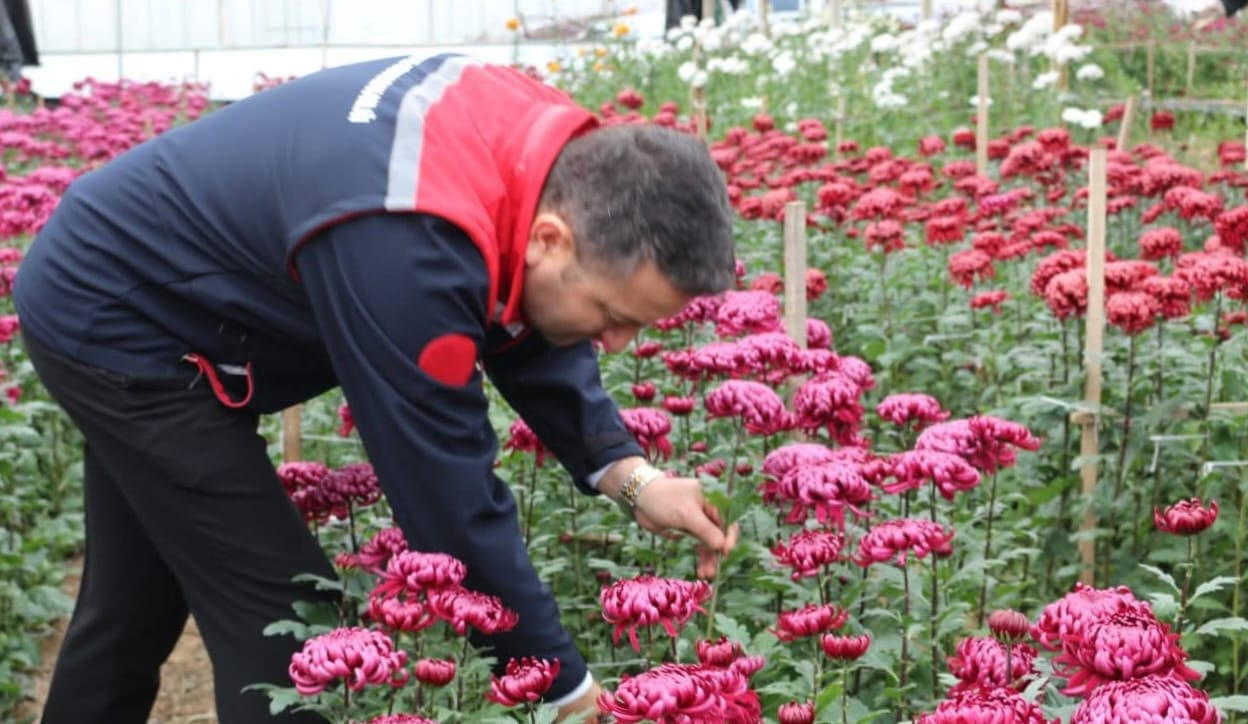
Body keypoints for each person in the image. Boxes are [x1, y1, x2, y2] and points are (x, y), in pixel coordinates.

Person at [16, 52, 739, 723]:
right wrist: (564, 690)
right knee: (296, 635)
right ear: (553, 238)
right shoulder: (406, 237)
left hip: (142, 277)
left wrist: (631, 475)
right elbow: (445, 497)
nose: (615, 343)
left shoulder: (553, 153)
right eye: (613, 317)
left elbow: (528, 306)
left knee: (133, 604)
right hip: (122, 320)